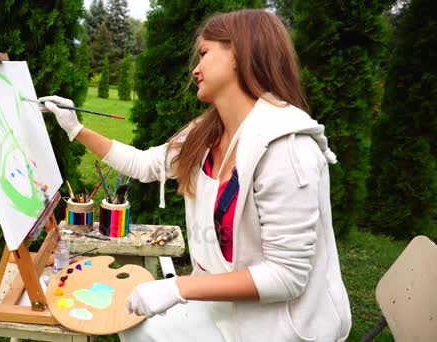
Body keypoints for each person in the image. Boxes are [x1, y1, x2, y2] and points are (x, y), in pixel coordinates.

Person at [40, 9, 351, 342]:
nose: (195, 68)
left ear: (239, 53)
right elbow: (146, 165)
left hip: (282, 326)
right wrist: (76, 129)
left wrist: (179, 286)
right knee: (132, 324)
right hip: (225, 308)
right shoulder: (207, 132)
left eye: (204, 53)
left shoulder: (287, 147)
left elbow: (287, 276)